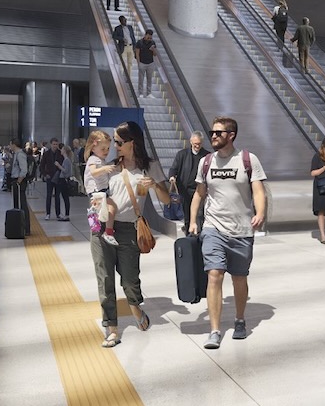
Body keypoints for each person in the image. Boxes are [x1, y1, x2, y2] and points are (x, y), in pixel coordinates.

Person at [189, 116, 268, 350]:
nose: (213, 136)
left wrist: (260, 212)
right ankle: (214, 330)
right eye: (212, 132)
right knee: (214, 274)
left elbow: (258, 191)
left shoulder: (247, 160)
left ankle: (240, 319)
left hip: (242, 229)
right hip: (214, 227)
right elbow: (199, 194)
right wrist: (194, 220)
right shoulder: (206, 162)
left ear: (231, 135)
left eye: (218, 133)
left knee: (239, 278)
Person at [94, 121, 170, 347]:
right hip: (103, 228)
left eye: (118, 142)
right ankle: (112, 327)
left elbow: (166, 200)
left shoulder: (150, 167)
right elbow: (95, 190)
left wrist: (155, 185)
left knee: (129, 279)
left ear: (132, 142)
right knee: (105, 279)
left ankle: (135, 306)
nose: (115, 146)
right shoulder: (111, 167)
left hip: (129, 230)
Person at [169, 132, 209, 235]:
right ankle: (189, 234)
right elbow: (174, 168)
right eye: (195, 143)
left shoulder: (207, 156)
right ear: (190, 142)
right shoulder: (182, 154)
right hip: (185, 191)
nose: (197, 146)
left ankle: (199, 234)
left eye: (199, 144)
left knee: (199, 214)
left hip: (200, 190)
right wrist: (172, 177)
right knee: (187, 214)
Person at [41, 138, 71, 221]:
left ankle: (58, 213)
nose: (55, 146)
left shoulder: (60, 154)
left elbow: (64, 166)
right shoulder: (46, 154)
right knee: (49, 195)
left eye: (56, 144)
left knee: (57, 196)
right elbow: (42, 165)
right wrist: (45, 174)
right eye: (54, 144)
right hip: (49, 177)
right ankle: (48, 213)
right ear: (51, 144)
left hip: (59, 178)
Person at [134, 28, 157, 94]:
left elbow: (155, 54)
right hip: (142, 63)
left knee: (149, 79)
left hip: (150, 63)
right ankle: (140, 92)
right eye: (148, 37)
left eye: (150, 37)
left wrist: (153, 49)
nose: (149, 38)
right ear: (145, 35)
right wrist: (139, 63)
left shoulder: (152, 43)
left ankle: (149, 93)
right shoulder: (139, 42)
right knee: (141, 79)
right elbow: (137, 53)